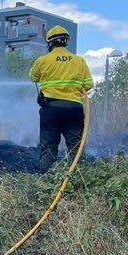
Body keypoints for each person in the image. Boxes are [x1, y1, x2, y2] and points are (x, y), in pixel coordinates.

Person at [29, 25, 94, 172]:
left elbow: (33, 77)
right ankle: (80, 179)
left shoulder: (43, 60)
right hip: (74, 109)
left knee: (49, 146)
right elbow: (89, 84)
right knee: (76, 147)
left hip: (51, 109)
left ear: (50, 43)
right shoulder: (79, 61)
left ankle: (45, 178)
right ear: (66, 41)